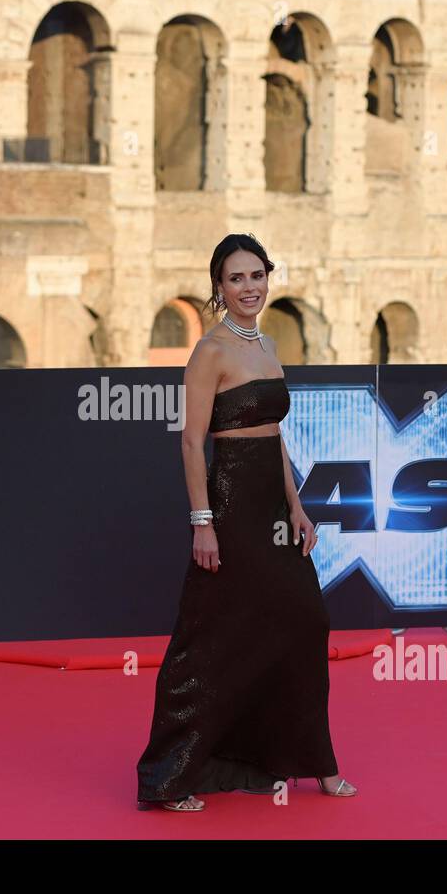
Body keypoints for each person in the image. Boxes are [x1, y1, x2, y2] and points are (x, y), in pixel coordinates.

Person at [135, 233, 356, 812]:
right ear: (218, 288)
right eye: (236, 279)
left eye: (256, 275)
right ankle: (171, 775)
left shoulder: (268, 343)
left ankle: (317, 763)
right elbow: (190, 441)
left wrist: (298, 505)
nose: (249, 287)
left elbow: (274, 437)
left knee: (306, 625)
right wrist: (202, 522)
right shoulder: (210, 351)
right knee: (209, 640)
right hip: (229, 506)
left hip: (273, 509)